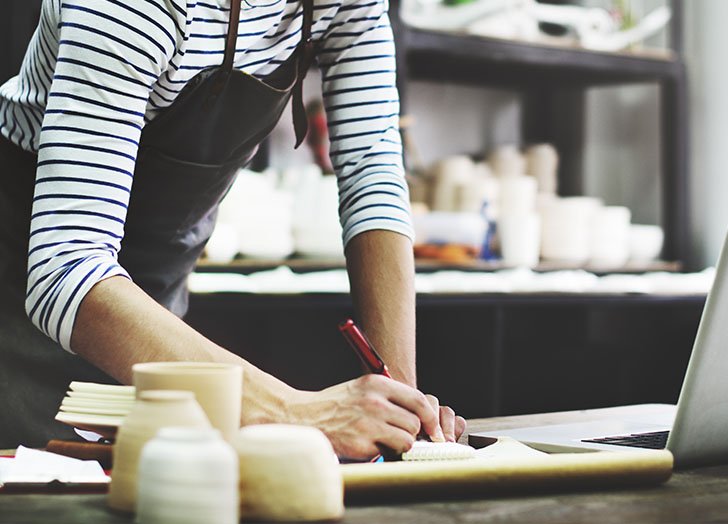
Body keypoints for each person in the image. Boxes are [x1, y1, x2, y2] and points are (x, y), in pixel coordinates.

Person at [0, 0, 466, 458]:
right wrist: (294, 413)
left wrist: (399, 403)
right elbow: (64, 269)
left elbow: (372, 170)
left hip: (151, 312)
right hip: (20, 293)